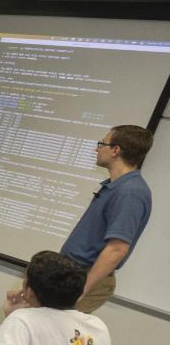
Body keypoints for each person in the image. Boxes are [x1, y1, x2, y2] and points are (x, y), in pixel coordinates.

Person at [60, 124, 153, 313]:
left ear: (115, 150)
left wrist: (82, 289)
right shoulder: (117, 186)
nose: (96, 148)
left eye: (102, 143)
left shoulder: (131, 192)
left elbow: (117, 249)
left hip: (85, 278)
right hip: (70, 272)